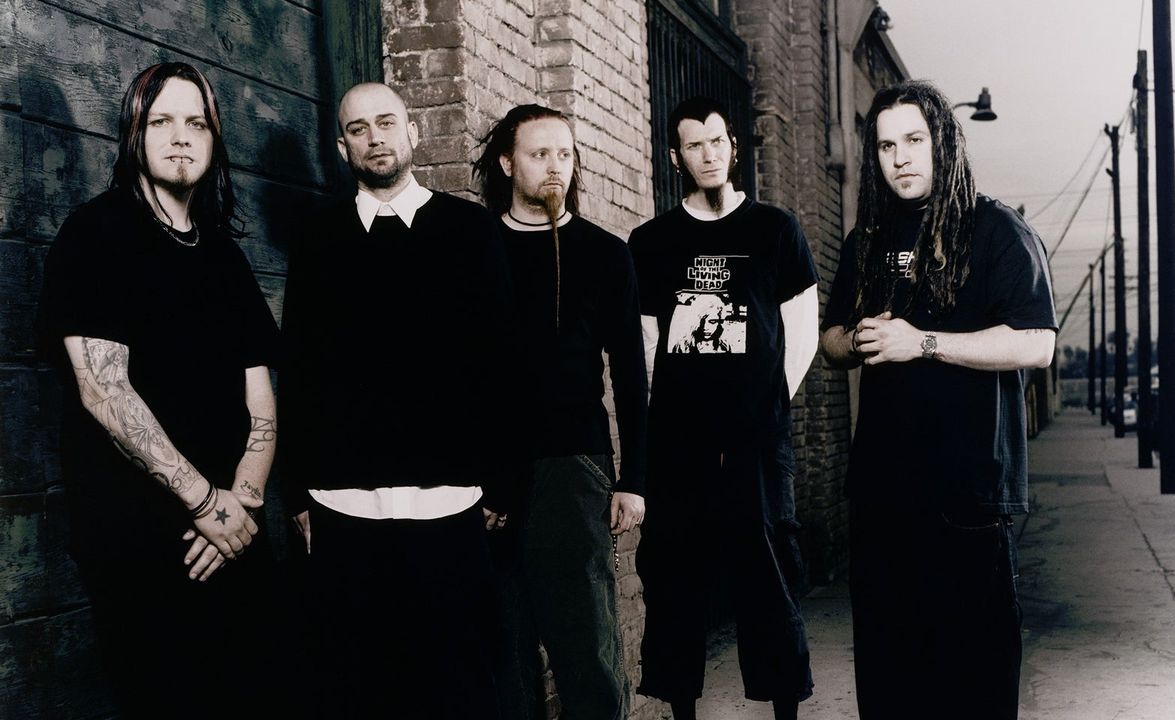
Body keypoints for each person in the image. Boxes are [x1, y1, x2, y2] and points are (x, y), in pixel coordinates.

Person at [35, 62, 280, 717]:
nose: (180, 137)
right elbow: (104, 392)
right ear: (134, 134)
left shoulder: (223, 255)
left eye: (196, 122)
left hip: (235, 525)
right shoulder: (98, 233)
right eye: (161, 121)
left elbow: (261, 395)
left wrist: (242, 503)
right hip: (142, 537)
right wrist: (205, 502)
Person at [277, 82, 516, 719]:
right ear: (342, 147)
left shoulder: (469, 230)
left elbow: (499, 364)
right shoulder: (318, 237)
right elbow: (298, 368)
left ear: (413, 132)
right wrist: (296, 490)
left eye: (386, 123)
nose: (374, 137)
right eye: (358, 129)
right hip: (344, 505)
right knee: (359, 693)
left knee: (460, 691)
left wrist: (500, 480)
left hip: (449, 503)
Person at [819, 80, 1056, 720]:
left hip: (967, 495)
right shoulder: (866, 241)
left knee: (972, 684)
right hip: (882, 494)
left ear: (943, 143)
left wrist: (921, 343)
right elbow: (831, 340)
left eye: (914, 140)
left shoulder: (996, 230)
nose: (900, 158)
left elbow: (1036, 343)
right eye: (886, 146)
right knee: (890, 684)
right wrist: (857, 339)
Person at [630, 96, 820, 720]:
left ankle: (785, 709)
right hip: (680, 446)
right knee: (676, 580)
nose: (708, 155)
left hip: (757, 442)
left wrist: (760, 410)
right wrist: (680, 410)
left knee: (769, 576)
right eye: (694, 145)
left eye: (717, 141)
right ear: (676, 157)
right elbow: (649, 344)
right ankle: (681, 709)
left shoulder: (776, 230)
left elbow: (801, 335)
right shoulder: (651, 242)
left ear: (733, 147)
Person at [471, 104, 648, 720]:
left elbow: (631, 376)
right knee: (505, 651)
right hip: (486, 476)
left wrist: (633, 480)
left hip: (573, 467)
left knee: (586, 648)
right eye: (539, 153)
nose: (556, 167)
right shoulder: (475, 248)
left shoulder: (604, 253)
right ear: (506, 162)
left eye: (565, 154)